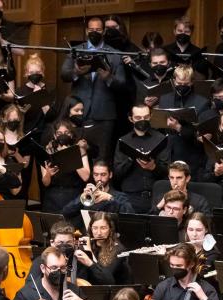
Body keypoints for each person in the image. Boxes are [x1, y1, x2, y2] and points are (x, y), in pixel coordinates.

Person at [60, 17, 126, 161]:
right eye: (91, 30)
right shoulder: (76, 50)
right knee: (77, 156)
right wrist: (77, 72)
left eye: (98, 30)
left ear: (103, 31)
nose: (94, 32)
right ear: (86, 31)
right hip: (78, 112)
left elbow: (122, 83)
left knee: (102, 157)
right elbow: (64, 74)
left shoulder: (114, 54)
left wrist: (108, 77)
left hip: (104, 115)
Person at [112, 103, 169, 213]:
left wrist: (153, 167)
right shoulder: (123, 141)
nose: (142, 120)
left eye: (146, 117)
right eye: (138, 118)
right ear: (131, 119)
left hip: (155, 197)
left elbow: (168, 172)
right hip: (130, 197)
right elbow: (117, 174)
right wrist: (130, 159)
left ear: (150, 116)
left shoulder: (160, 139)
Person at [157, 65, 213, 177]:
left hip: (190, 154)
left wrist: (178, 127)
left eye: (185, 84)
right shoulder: (164, 98)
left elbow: (200, 135)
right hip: (168, 152)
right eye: (179, 84)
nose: (182, 86)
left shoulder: (202, 103)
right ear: (173, 81)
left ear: (192, 82)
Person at [40, 119, 91, 213]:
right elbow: (45, 182)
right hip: (52, 196)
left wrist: (70, 154)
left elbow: (85, 177)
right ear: (55, 136)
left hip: (73, 195)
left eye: (66, 132)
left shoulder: (80, 151)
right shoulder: (48, 151)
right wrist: (48, 173)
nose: (63, 135)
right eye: (59, 133)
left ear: (71, 134)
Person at [62, 159, 134, 223]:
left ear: (110, 175)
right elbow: (66, 212)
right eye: (96, 175)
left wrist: (110, 198)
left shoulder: (119, 196)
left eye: (103, 174)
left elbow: (130, 215)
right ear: (93, 175)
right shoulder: (88, 195)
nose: (99, 178)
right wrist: (81, 198)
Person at [75, 212, 129, 285]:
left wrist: (89, 252)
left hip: (109, 290)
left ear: (110, 229)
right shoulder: (88, 244)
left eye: (103, 228)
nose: (99, 233)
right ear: (91, 229)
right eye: (95, 228)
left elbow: (105, 279)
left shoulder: (119, 250)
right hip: (87, 287)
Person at [203, 109, 223, 206]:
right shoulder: (214, 149)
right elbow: (205, 178)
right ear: (219, 127)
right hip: (217, 199)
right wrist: (215, 173)